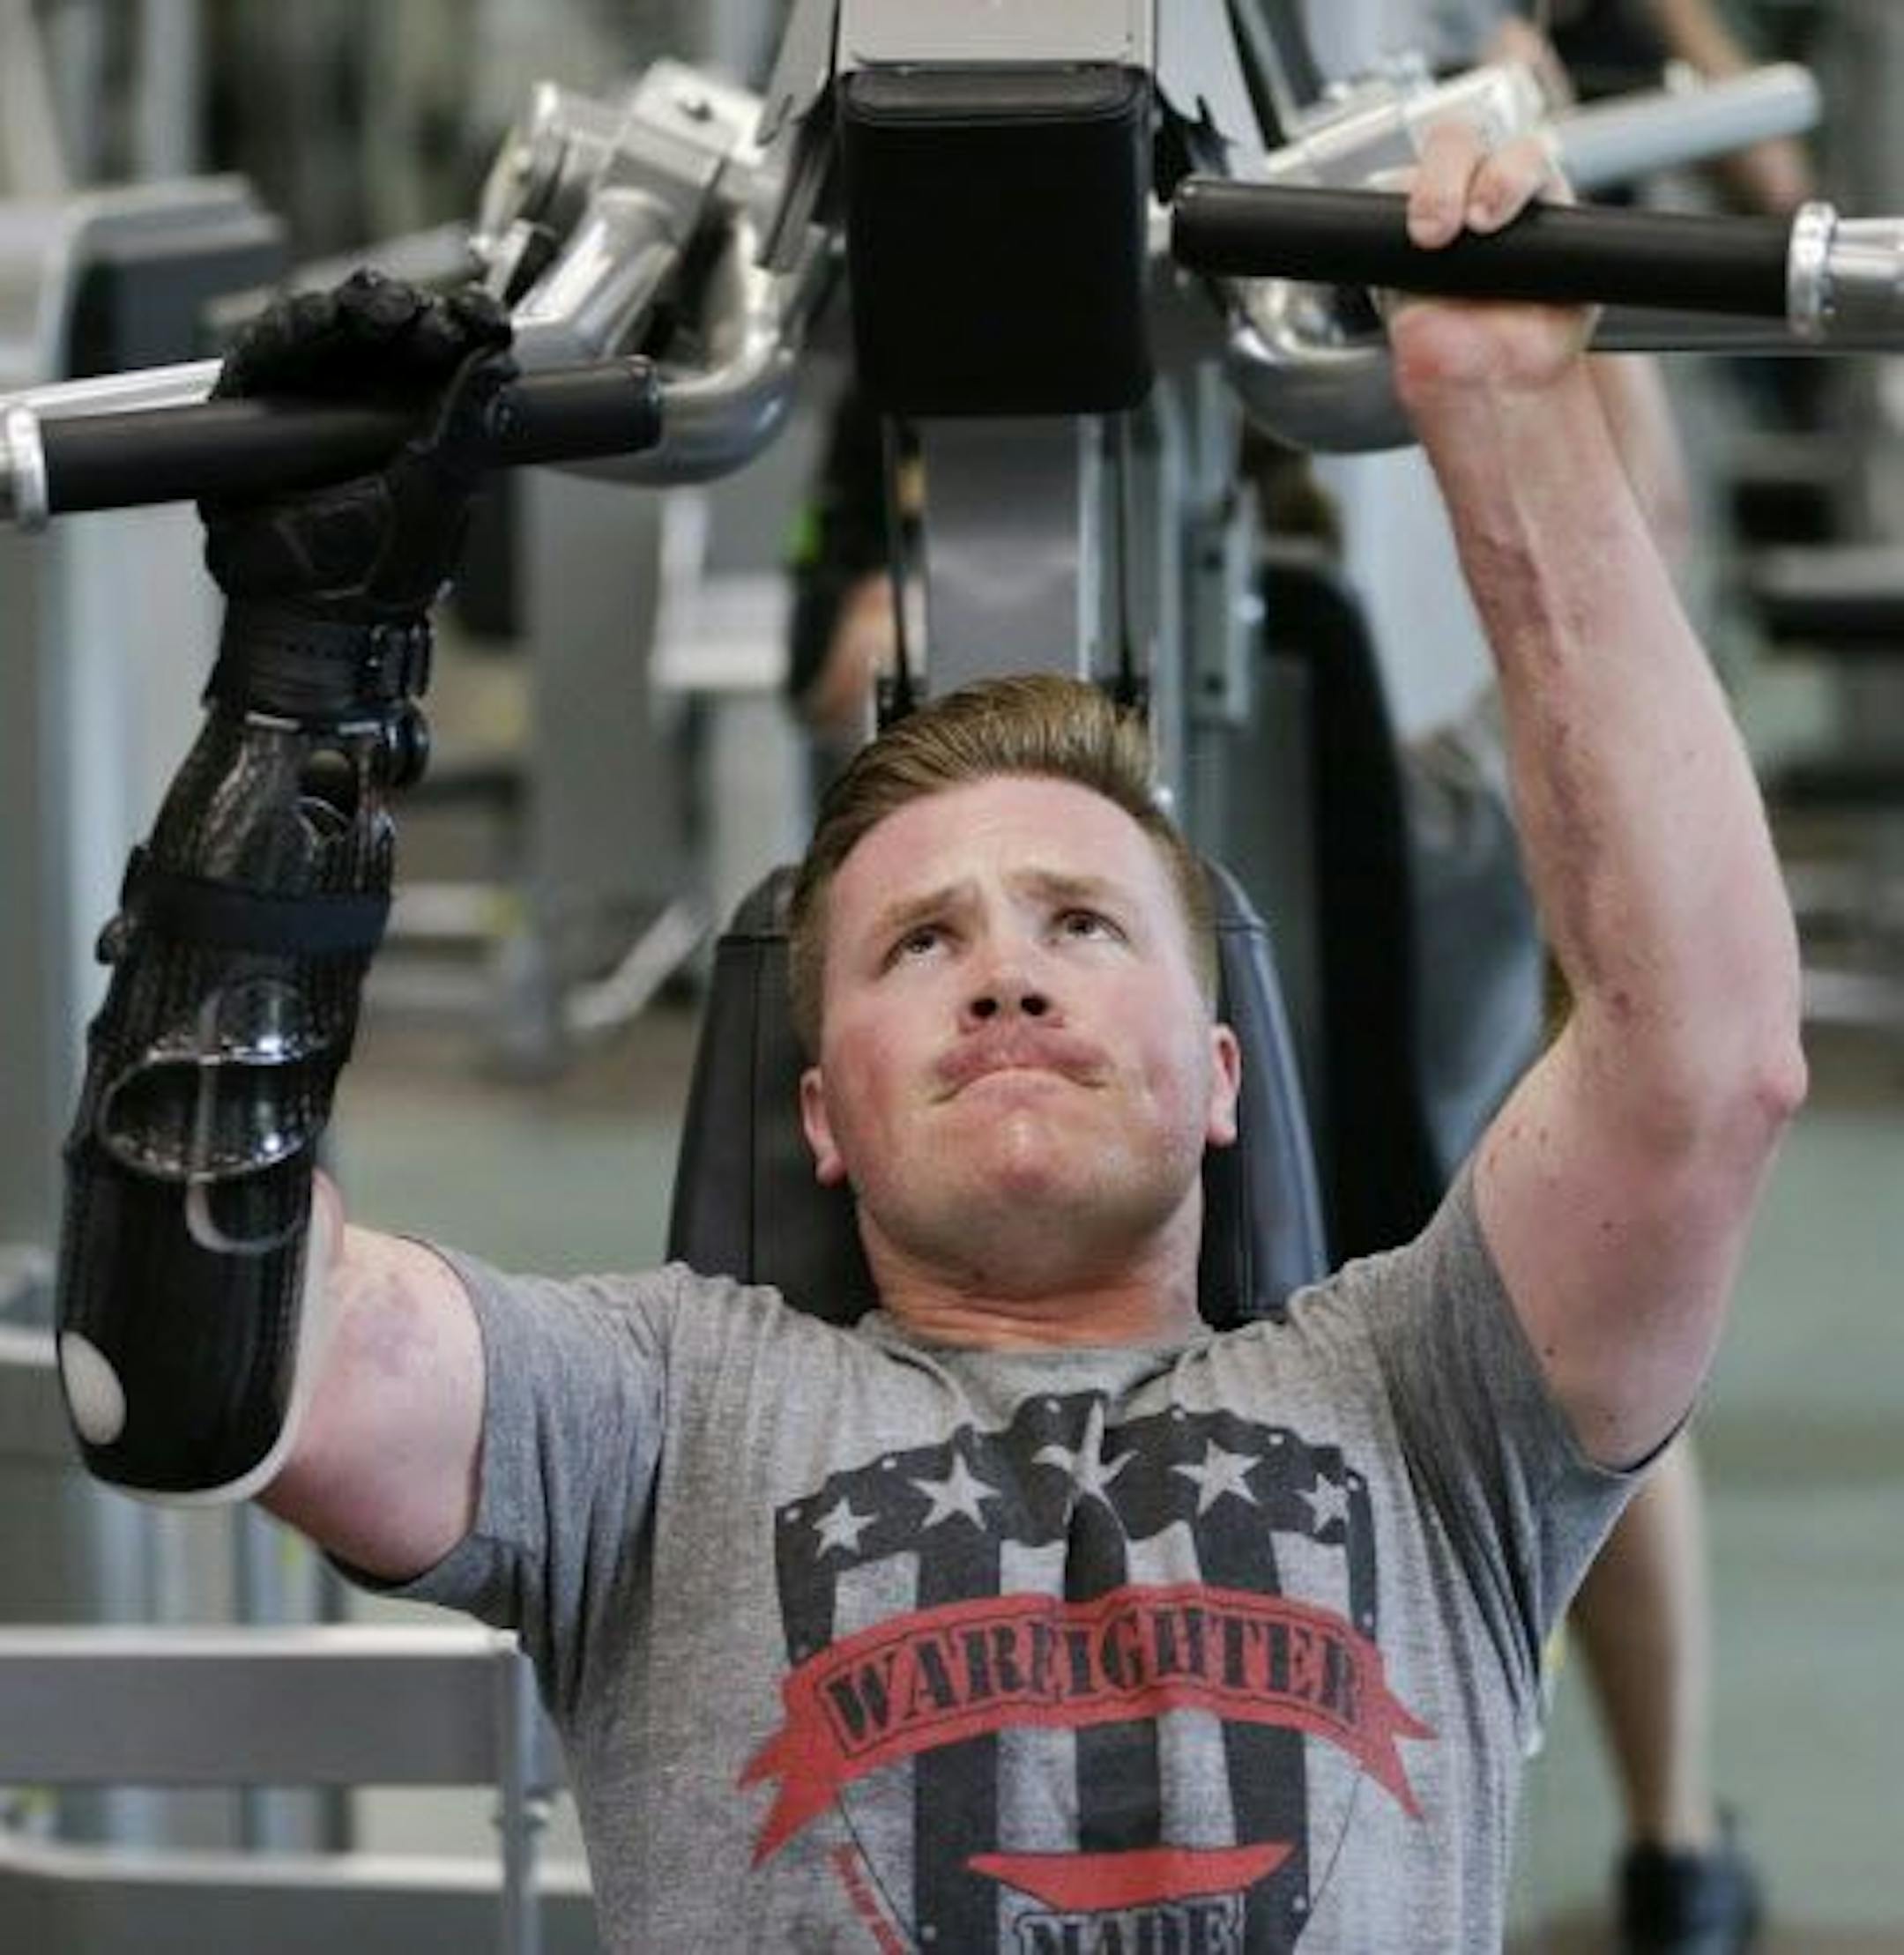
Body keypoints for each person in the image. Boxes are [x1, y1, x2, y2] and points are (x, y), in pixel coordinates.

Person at [56, 127, 1804, 1951]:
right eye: (920, 940)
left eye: (1082, 922)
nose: (1007, 975)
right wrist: (302, 690)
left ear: (1219, 1073)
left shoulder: (1427, 1401)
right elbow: (201, 1362)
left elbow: (1705, 1062)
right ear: (821, 1109)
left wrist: (1509, 404)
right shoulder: (652, 1418)